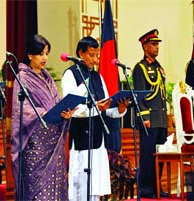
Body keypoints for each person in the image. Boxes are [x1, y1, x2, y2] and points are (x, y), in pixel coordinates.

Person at [61, 36, 129, 201]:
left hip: (98, 138)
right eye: (91, 55)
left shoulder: (98, 77)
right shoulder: (71, 75)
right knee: (81, 185)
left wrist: (120, 109)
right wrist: (95, 108)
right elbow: (72, 109)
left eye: (97, 55)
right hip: (81, 138)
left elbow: (106, 108)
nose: (95, 59)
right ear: (80, 53)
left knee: (95, 186)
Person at [10, 34, 75, 200]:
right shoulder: (23, 77)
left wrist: (64, 112)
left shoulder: (47, 77)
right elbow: (20, 108)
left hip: (53, 140)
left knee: (55, 187)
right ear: (30, 55)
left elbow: (56, 101)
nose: (45, 57)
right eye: (40, 54)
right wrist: (43, 113)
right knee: (38, 190)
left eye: (47, 53)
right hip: (36, 143)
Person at [132, 29, 168, 198]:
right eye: (153, 44)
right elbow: (139, 96)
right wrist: (145, 117)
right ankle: (146, 188)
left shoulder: (158, 67)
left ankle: (157, 186)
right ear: (145, 46)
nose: (157, 47)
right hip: (149, 120)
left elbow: (160, 94)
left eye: (157, 44)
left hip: (160, 119)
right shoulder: (140, 68)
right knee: (147, 156)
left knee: (159, 154)